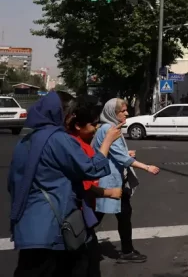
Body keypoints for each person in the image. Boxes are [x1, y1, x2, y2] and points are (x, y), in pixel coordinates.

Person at [8, 91, 124, 277]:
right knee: (81, 266)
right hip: (54, 226)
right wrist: (107, 142)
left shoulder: (25, 141)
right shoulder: (58, 139)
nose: (71, 119)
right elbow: (91, 169)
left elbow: (13, 182)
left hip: (28, 225)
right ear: (62, 114)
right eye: (70, 114)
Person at [92, 98, 160, 264]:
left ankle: (127, 251)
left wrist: (125, 152)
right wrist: (147, 167)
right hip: (108, 182)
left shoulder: (111, 128)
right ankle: (77, 245)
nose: (126, 113)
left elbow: (115, 153)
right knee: (95, 217)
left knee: (122, 215)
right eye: (122, 111)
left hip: (115, 181)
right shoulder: (109, 129)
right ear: (112, 113)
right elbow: (121, 158)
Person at [67, 104, 124, 277]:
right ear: (78, 125)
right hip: (74, 213)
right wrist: (108, 192)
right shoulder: (71, 144)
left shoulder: (77, 141)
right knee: (85, 260)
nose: (96, 128)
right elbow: (91, 171)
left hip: (80, 210)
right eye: (93, 124)